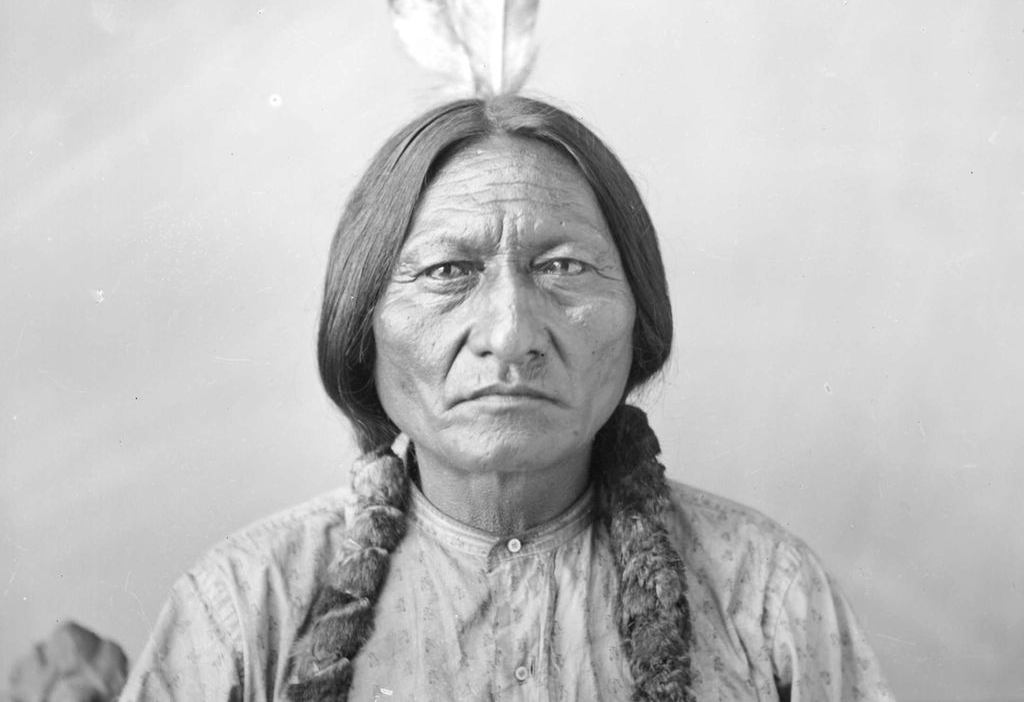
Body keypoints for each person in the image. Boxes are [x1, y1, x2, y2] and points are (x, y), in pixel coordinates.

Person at [120, 96, 896, 701]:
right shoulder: (243, 606)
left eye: (562, 267)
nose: (510, 331)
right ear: (364, 326)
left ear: (639, 316)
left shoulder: (765, 594)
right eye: (448, 272)